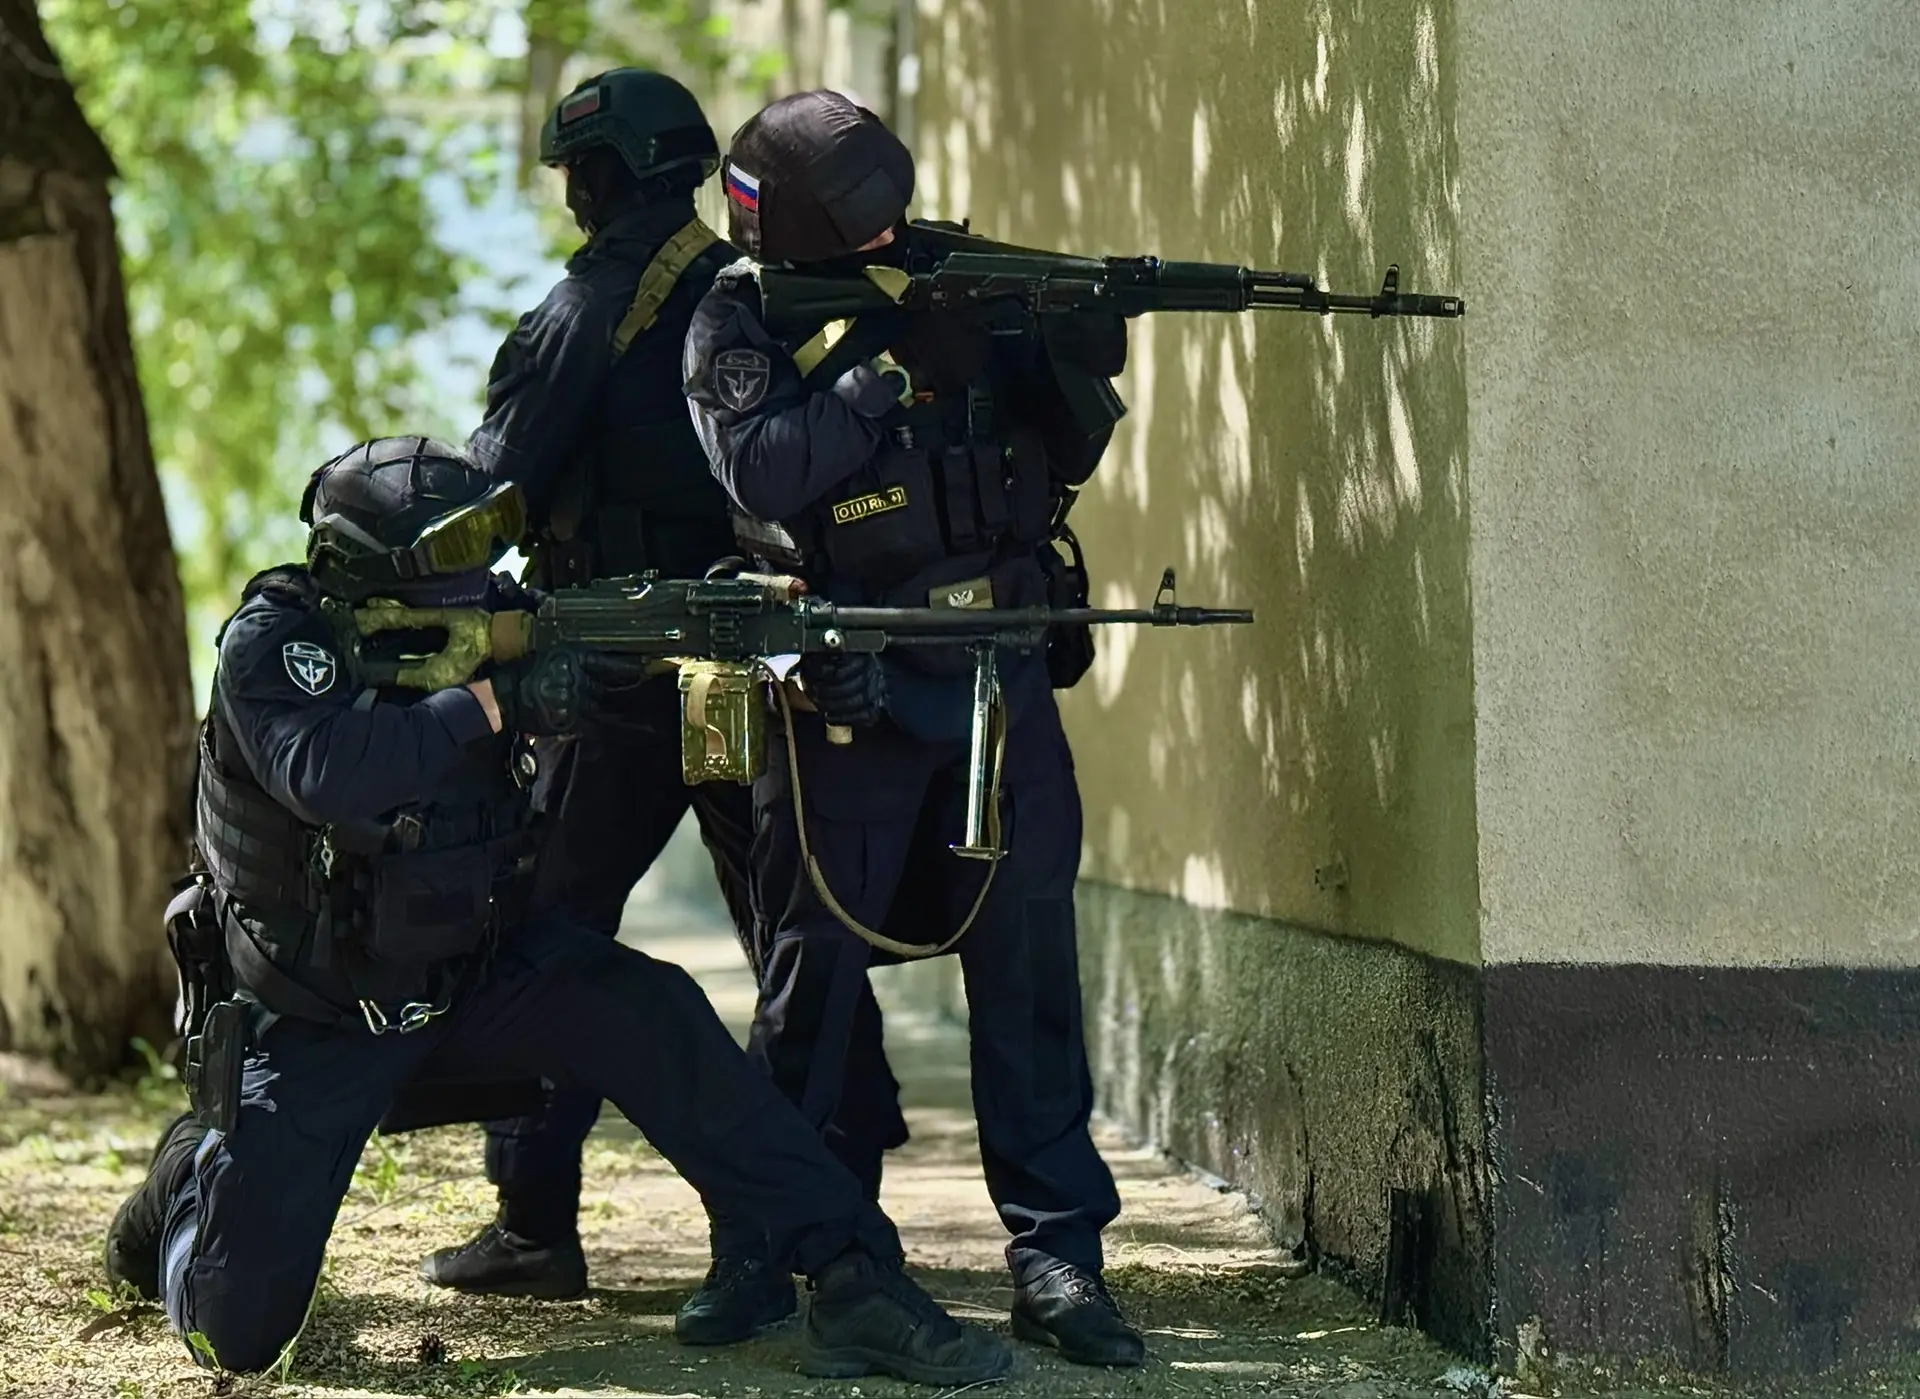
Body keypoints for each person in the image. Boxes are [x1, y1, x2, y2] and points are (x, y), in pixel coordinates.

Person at [100, 437, 1009, 1387]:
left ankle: (854, 1274)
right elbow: (322, 771)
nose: (483, 570)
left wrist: (798, 662)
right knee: (237, 1332)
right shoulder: (278, 640)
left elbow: (658, 647)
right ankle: (188, 1179)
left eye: (489, 538)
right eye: (454, 548)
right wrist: (494, 705)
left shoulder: (508, 621)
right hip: (317, 1017)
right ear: (374, 561)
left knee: (652, 1010)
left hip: (472, 978)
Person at [415, 68, 909, 1340]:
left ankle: (535, 1223)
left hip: (625, 675)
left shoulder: (587, 308)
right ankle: (832, 1220)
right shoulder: (757, 292)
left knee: (546, 936)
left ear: (600, 175)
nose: (569, 197)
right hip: (753, 667)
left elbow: (492, 492)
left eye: (573, 175)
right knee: (795, 936)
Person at [681, 92, 1146, 1368]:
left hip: (995, 672)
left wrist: (1071, 335)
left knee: (1028, 967)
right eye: (860, 233)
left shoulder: (958, 271)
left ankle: (1058, 1254)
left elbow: (1060, 449)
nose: (887, 242)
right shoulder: (738, 317)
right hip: (842, 693)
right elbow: (764, 470)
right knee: (811, 988)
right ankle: (786, 1248)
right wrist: (883, 371)